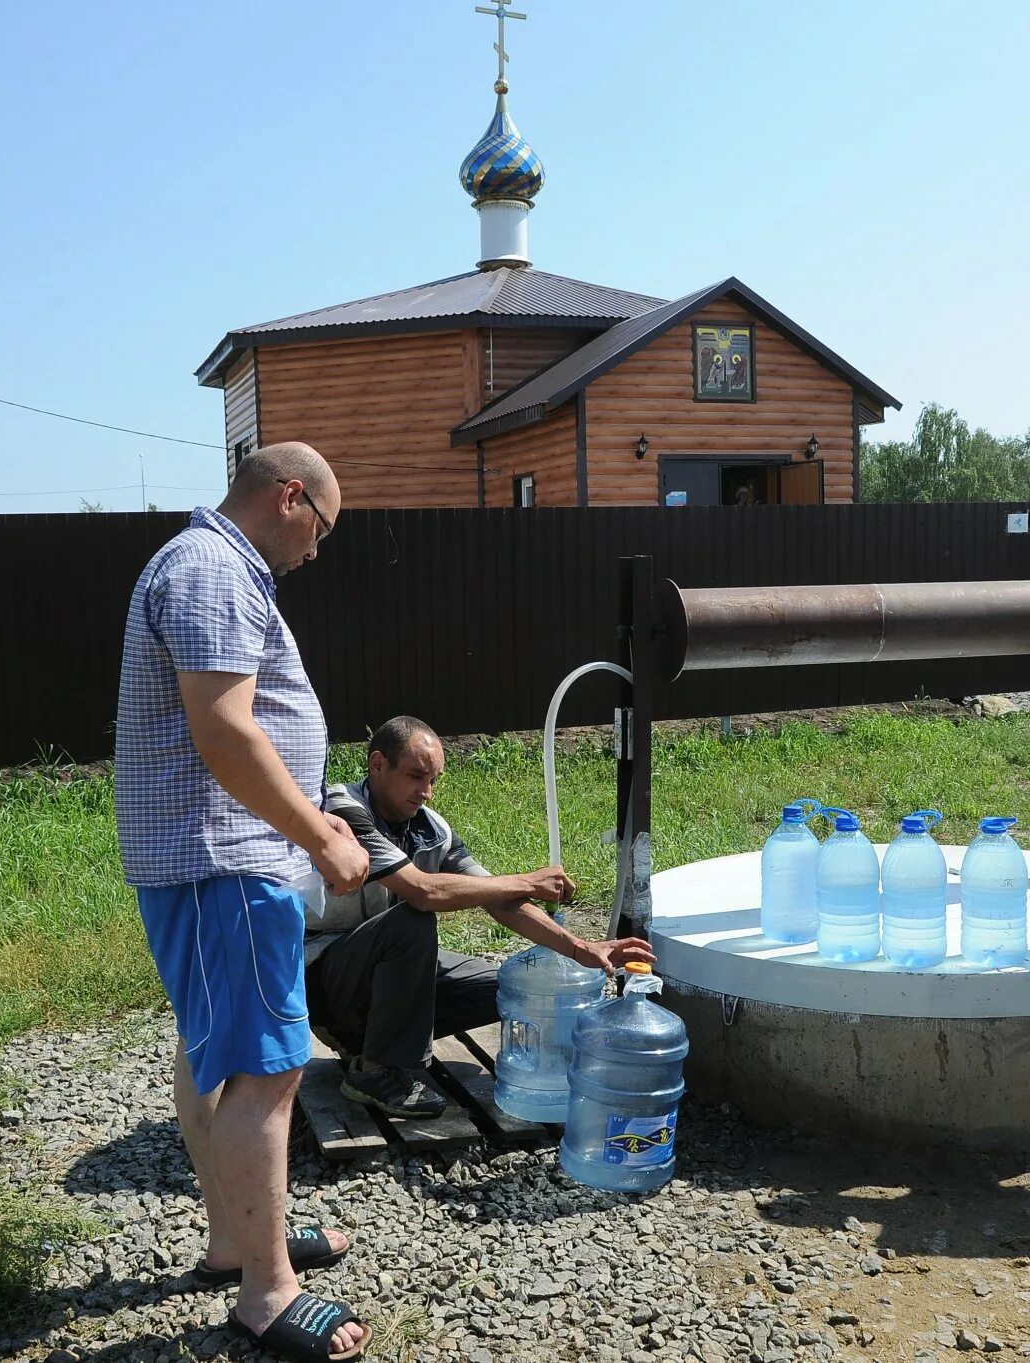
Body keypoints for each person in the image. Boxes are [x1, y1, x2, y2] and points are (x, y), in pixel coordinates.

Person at [114, 441, 370, 1360]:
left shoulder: (205, 564)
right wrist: (318, 832)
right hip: (224, 858)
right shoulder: (215, 568)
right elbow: (225, 732)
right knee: (270, 1065)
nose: (316, 551)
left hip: (208, 856)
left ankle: (238, 1240)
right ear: (292, 497)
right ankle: (267, 1291)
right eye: (323, 529)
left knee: (214, 1054)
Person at [306, 715, 655, 1116]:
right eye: (417, 776)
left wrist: (580, 948)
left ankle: (370, 1040)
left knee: (508, 988)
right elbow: (424, 891)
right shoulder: (342, 810)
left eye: (434, 780)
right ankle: (375, 1069)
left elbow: (497, 899)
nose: (427, 792)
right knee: (413, 920)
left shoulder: (432, 829)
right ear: (378, 764)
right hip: (325, 972)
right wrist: (527, 880)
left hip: (383, 968)